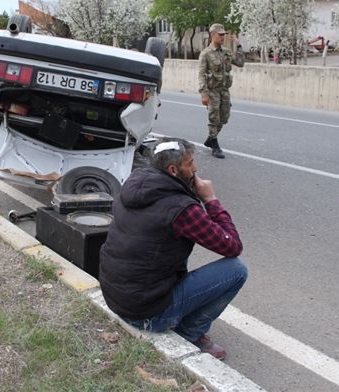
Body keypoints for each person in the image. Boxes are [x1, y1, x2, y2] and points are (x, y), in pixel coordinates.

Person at [99, 139, 247, 360]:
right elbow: (232, 246)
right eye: (190, 164)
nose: (195, 169)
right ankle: (189, 333)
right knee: (236, 270)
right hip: (145, 314)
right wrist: (210, 199)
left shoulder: (133, 184)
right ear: (173, 170)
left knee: (167, 245)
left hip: (117, 297)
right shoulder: (181, 208)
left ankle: (175, 315)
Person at [198, 24, 245, 159]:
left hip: (224, 90)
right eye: (220, 35)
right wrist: (204, 94)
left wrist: (239, 46)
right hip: (212, 90)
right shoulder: (206, 53)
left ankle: (210, 139)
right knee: (214, 117)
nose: (223, 37)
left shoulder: (226, 51)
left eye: (224, 34)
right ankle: (215, 145)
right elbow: (201, 75)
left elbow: (241, 63)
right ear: (213, 35)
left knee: (224, 118)